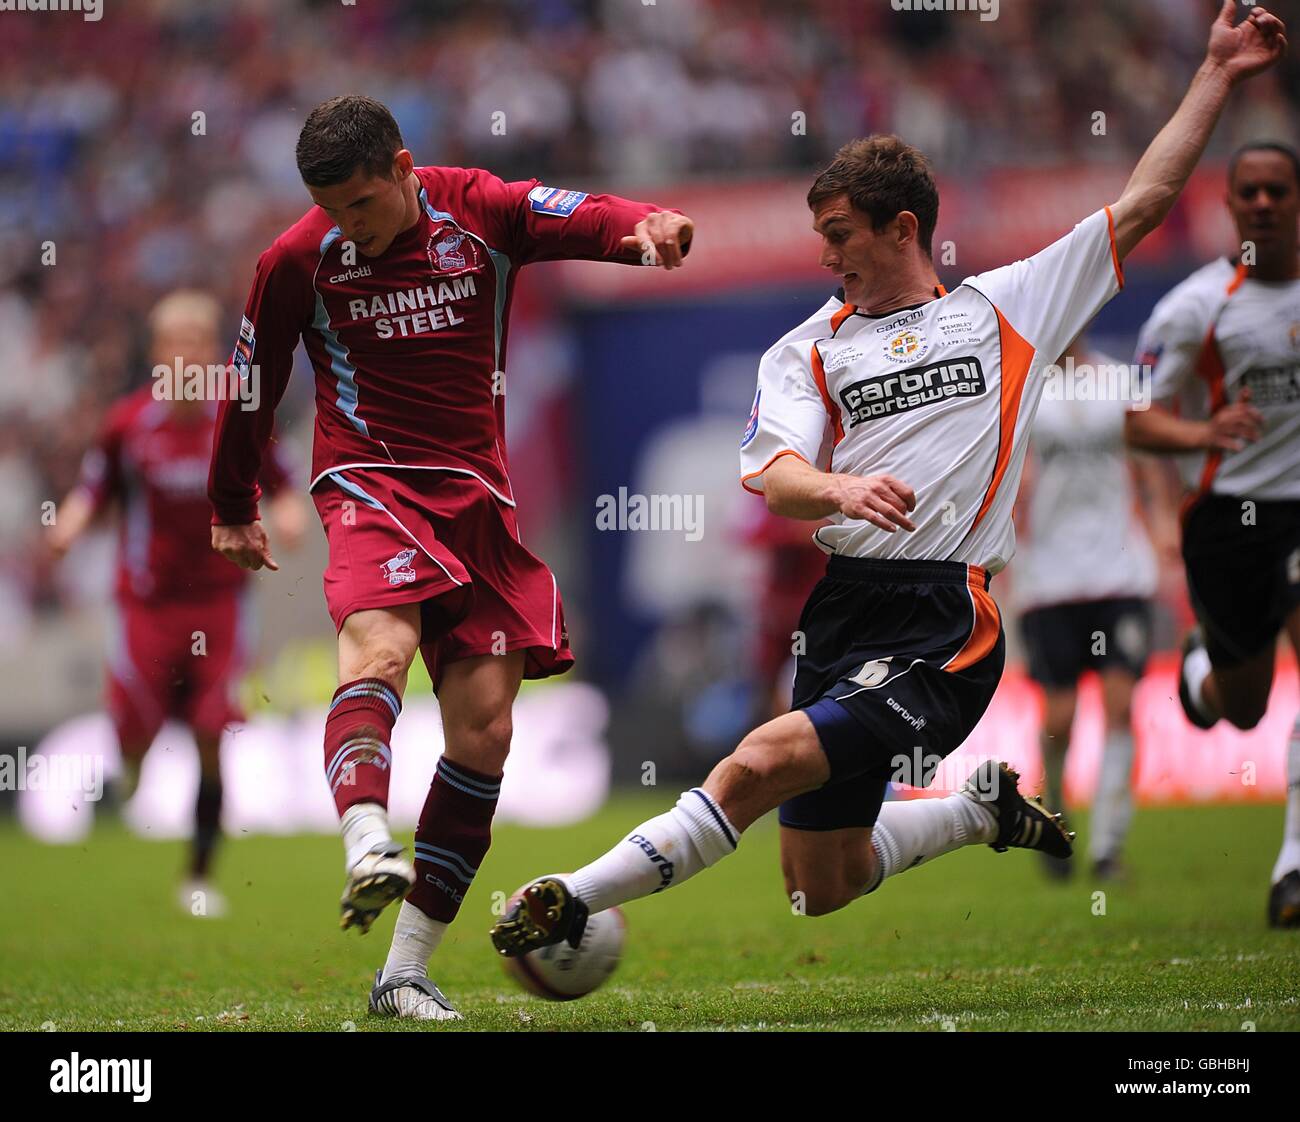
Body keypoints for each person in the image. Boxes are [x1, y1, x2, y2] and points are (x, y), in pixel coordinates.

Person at [490, 2, 1287, 958]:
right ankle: (976, 813)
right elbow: (775, 475)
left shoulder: (1009, 307)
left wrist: (1217, 72)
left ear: (901, 227)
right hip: (844, 609)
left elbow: (1147, 199)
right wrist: (838, 491)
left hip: (946, 618)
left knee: (760, 760)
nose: (826, 258)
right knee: (821, 884)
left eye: (840, 235)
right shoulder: (807, 350)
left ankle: (565, 897)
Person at [207, 95, 695, 1019]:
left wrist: (645, 228)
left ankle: (403, 974)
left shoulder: (475, 209)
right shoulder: (295, 261)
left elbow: (572, 215)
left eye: (361, 204)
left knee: (485, 730)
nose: (348, 226)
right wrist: (233, 503)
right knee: (381, 651)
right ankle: (364, 838)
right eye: (331, 210)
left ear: (402, 167)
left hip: (478, 503)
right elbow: (250, 385)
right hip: (368, 483)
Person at [49, 289, 304, 917]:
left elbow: (283, 481)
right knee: (134, 730)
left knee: (213, 731)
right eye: (176, 343)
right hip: (146, 606)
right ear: (158, 353)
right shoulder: (128, 425)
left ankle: (199, 875)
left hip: (220, 604)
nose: (188, 354)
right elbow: (92, 489)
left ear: (214, 351)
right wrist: (67, 528)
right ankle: (130, 770)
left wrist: (291, 516)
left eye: (199, 341)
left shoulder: (237, 418)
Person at [1126, 139, 1300, 928]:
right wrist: (1202, 435)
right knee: (1245, 707)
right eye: (1250, 192)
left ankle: (1292, 869)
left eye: (1278, 191)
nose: (1263, 203)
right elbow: (1134, 415)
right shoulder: (1199, 304)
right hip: (1231, 521)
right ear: (1229, 206)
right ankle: (1203, 678)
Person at [1014, 336, 1173, 881]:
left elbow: (1147, 455)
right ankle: (1052, 811)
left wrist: (1164, 523)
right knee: (1059, 715)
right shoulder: (1023, 385)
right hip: (1050, 576)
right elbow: (1010, 481)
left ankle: (1108, 848)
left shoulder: (1116, 380)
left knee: (1121, 704)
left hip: (1120, 568)